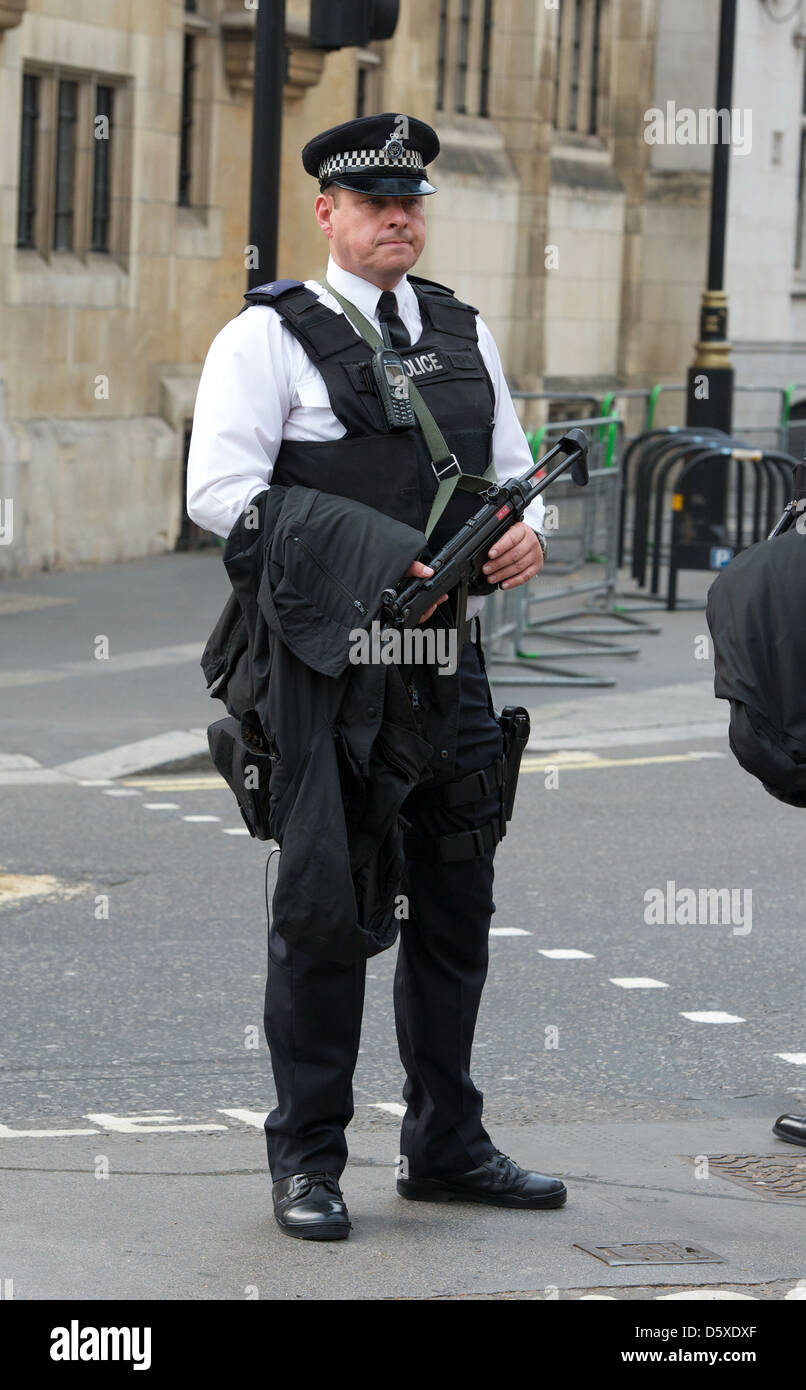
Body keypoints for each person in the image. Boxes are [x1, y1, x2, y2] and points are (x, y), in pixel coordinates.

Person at [186, 113, 566, 1240]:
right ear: (327, 214)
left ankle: (446, 1143)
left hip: (444, 658)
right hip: (326, 667)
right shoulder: (264, 342)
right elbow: (220, 494)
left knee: (455, 897)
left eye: (410, 201)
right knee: (326, 906)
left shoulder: (457, 328)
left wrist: (526, 532)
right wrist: (370, 554)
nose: (397, 217)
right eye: (373, 203)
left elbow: (511, 468)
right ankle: (306, 1159)